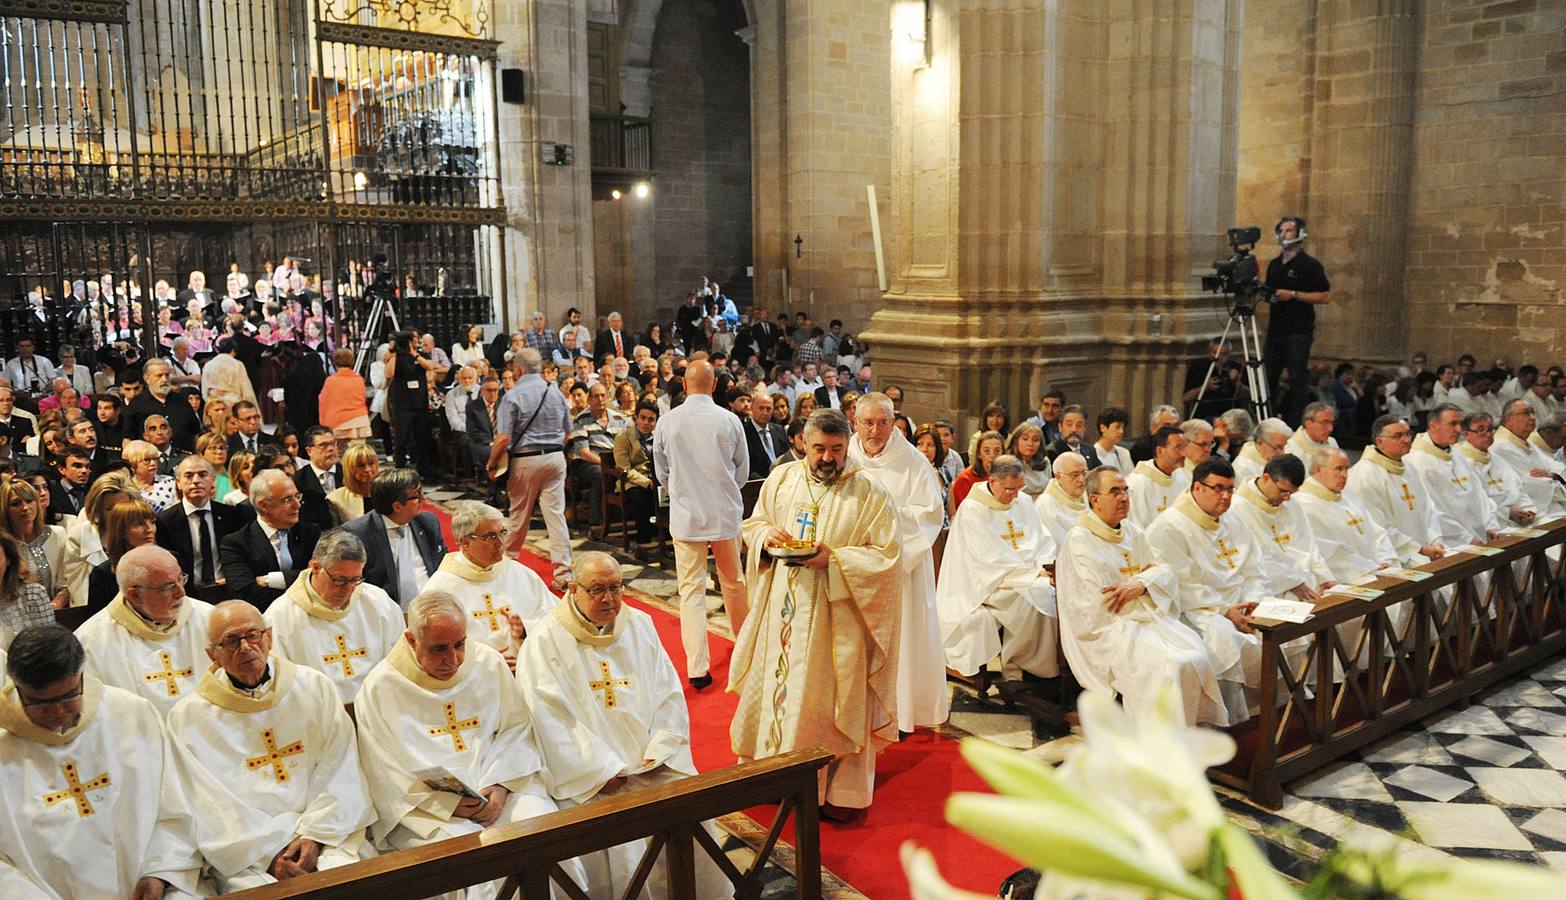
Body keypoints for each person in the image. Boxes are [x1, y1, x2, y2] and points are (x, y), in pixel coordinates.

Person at [518, 551, 733, 898]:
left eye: (616, 588)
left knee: (690, 803)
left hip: (652, 765)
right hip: (594, 777)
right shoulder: (545, 641)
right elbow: (548, 716)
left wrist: (660, 750)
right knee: (612, 836)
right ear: (573, 589)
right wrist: (603, 769)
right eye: (597, 590)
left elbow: (668, 694)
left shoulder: (639, 625)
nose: (609, 599)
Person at [731, 409, 902, 819]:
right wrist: (764, 536)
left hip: (836, 617)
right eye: (819, 449)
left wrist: (836, 560)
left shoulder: (870, 494)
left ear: (849, 447)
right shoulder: (783, 479)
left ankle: (840, 793)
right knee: (778, 689)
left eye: (837, 450)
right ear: (803, 444)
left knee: (830, 702)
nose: (828, 458)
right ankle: (771, 775)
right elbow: (753, 525)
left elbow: (888, 558)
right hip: (782, 611)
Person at [354, 591, 586, 893]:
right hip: (428, 812)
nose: (453, 659)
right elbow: (385, 773)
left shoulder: (487, 663)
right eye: (439, 649)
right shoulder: (380, 688)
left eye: (460, 644)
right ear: (411, 640)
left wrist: (501, 786)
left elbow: (516, 729)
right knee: (472, 866)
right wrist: (446, 804)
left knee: (545, 835)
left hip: (501, 788)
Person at [167, 601, 375, 891]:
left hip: (326, 834)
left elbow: (341, 766)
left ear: (270, 637)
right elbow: (207, 803)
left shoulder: (314, 687)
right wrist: (270, 854)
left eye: (253, 635)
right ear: (212, 654)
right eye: (231, 641)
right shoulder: (189, 718)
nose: (245, 647)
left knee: (355, 881)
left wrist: (314, 836)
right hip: (249, 855)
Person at [0, 625, 203, 897]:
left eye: (68, 696)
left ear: (81, 675)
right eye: (41, 704)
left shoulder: (132, 715)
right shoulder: (5, 744)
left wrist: (160, 871)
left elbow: (174, 806)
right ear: (17, 687)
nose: (58, 711)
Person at [1054, 468, 1227, 727]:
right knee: (1170, 664)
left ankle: (1188, 733)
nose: (1124, 498)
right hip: (1111, 628)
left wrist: (1141, 585)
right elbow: (1100, 602)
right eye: (1114, 492)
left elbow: (1165, 569)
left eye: (1125, 491)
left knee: (1196, 655)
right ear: (1094, 499)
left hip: (1147, 619)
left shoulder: (1131, 530)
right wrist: (1145, 586)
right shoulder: (1080, 541)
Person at [1143, 458, 1279, 725]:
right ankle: (1224, 721)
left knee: (1279, 627)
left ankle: (1266, 712)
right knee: (1224, 637)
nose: (1226, 497)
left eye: (1230, 489)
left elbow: (1254, 568)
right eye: (1218, 488)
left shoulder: (1233, 520)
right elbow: (1182, 586)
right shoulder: (1168, 527)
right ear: (1197, 488)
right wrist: (1226, 611)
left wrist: (1253, 602)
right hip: (1196, 612)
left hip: (1240, 604)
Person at [849, 393, 949, 731]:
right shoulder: (844, 454)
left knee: (902, 639)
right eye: (868, 423)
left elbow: (929, 515)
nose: (874, 430)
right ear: (855, 422)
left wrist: (882, 528)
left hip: (898, 567)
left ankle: (901, 714)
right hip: (853, 566)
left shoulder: (913, 462)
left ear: (893, 423)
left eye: (882, 422)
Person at [652, 359, 749, 688]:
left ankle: (697, 668)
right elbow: (742, 470)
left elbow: (661, 473)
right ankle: (745, 649)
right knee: (733, 584)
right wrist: (723, 492)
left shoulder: (668, 421)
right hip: (723, 513)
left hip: (687, 514)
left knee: (691, 590)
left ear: (684, 384)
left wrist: (682, 491)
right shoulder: (729, 419)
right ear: (715, 385)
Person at [936, 455, 1059, 682]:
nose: (1014, 495)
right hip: (985, 581)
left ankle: (1045, 667)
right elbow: (987, 558)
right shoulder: (973, 509)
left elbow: (1042, 538)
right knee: (1031, 600)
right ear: (992, 481)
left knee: (1049, 593)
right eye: (1009, 489)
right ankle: (1017, 668)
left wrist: (1044, 567)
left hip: (1023, 573)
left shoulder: (1022, 501)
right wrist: (1031, 575)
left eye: (1019, 488)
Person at [266, 529, 403, 707]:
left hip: (378, 706)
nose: (348, 589)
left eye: (355, 580)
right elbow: (280, 685)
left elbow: (400, 660)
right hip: (320, 715)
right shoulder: (280, 617)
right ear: (315, 568)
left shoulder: (378, 602)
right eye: (340, 580)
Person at [77, 544, 215, 717]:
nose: (181, 593)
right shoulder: (92, 642)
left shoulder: (209, 619)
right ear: (134, 594)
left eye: (181, 579)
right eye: (167, 587)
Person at [425, 502, 557, 673]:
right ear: (465, 542)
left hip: (528, 668)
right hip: (476, 678)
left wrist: (525, 629)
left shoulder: (519, 573)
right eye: (491, 536)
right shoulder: (440, 589)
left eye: (502, 533)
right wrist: (486, 661)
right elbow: (434, 645)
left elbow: (554, 615)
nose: (500, 543)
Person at [486, 348, 573, 587]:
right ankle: (564, 573)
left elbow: (503, 438)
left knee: (519, 515)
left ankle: (504, 565)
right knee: (555, 516)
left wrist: (492, 463)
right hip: (555, 457)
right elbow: (568, 431)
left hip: (526, 459)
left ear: (518, 369)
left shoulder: (513, 396)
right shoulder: (555, 392)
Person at [1226, 454, 1335, 602]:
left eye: (1291, 493)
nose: (1287, 497)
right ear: (1266, 478)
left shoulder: (1291, 504)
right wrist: (1293, 583)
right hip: (1272, 586)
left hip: (1304, 580)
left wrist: (1325, 577)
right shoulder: (1238, 508)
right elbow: (1256, 559)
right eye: (1283, 491)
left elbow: (1309, 545)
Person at [1344, 415, 1446, 564]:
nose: (1406, 440)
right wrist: (1419, 549)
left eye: (1407, 434)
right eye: (1398, 436)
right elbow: (1377, 525)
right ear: (1380, 441)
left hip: (1426, 550)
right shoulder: (1365, 475)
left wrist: (1435, 540)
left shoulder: (1409, 467)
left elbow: (1428, 508)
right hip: (1395, 557)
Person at [342, 468, 447, 612]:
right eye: (417, 495)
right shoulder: (358, 534)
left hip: (432, 609)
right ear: (397, 506)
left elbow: (443, 566)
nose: (424, 498)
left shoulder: (428, 522)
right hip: (387, 612)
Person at [219, 469, 323, 610]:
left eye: (297, 496)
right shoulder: (235, 544)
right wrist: (304, 578)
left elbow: (323, 578)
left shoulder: (311, 533)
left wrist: (271, 579)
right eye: (287, 500)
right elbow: (246, 595)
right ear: (263, 506)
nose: (297, 505)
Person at [155, 456, 255, 601]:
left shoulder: (231, 515)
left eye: (202, 475)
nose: (196, 481)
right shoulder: (164, 521)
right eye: (188, 476)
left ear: (213, 480)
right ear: (178, 483)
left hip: (229, 590)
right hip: (186, 595)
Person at [1263, 215, 1332, 424]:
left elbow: (1324, 296)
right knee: (1270, 376)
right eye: (1281, 230)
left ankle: (1295, 423)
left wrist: (1293, 294)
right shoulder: (1274, 264)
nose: (1284, 234)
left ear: (1300, 234)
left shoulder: (1310, 265)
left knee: (1297, 378)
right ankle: (1269, 419)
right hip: (1276, 328)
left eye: (1289, 230)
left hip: (1298, 330)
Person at [1405, 403, 1498, 548]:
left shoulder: (1456, 453)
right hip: (1451, 540)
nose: (1459, 429)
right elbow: (1432, 509)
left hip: (1480, 532)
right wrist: (1467, 538)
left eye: (1460, 424)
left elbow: (1479, 493)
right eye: (1453, 424)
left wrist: (1490, 525)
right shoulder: (1417, 462)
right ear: (1433, 425)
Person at [59, 471, 138, 605]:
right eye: (109, 509)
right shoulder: (80, 535)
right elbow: (79, 588)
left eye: (122, 507)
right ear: (98, 509)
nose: (116, 514)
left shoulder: (141, 532)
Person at [1455, 411, 1537, 530]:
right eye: (1480, 430)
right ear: (1466, 434)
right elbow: (1474, 503)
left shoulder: (1496, 458)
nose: (1487, 434)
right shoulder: (1462, 463)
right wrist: (1507, 513)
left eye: (1490, 429)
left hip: (1514, 521)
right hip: (1489, 526)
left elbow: (1518, 487)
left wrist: (1527, 510)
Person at [0, 479, 66, 608]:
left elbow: (66, 583)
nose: (25, 507)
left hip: (56, 612)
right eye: (16, 503)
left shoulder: (58, 534)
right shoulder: (3, 545)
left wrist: (55, 605)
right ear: (4, 509)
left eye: (29, 501)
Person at [86, 497, 159, 612]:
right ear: (121, 530)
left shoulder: (172, 561)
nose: (149, 529)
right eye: (140, 524)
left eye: (152, 522)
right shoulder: (103, 574)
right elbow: (98, 620)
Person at [612, 401, 660, 553]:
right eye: (643, 418)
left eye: (651, 419)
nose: (646, 422)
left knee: (671, 494)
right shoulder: (623, 437)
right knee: (640, 496)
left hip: (656, 477)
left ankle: (664, 534)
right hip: (631, 480)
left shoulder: (659, 436)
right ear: (636, 418)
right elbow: (624, 467)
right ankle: (643, 539)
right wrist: (646, 482)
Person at [126, 358, 202, 453]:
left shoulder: (181, 400)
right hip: (151, 462)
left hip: (184, 460)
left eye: (167, 375)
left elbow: (195, 432)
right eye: (159, 376)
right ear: (147, 378)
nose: (165, 379)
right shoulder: (137, 405)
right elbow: (128, 438)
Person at [1124, 425, 1190, 528]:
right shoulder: (1137, 484)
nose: (1184, 454)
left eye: (1185, 447)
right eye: (1178, 448)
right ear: (1160, 451)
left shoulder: (1184, 477)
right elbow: (1133, 526)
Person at [1034, 450, 1087, 549]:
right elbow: (1056, 543)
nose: (1081, 479)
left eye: (1084, 473)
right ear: (1058, 476)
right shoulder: (1045, 505)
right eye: (1075, 475)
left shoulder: (1090, 496)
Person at [294, 425, 341, 532]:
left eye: (333, 443)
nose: (330, 449)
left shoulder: (347, 473)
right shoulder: (299, 479)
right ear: (309, 451)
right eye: (323, 445)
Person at [319, 348, 372, 442]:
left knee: (338, 455)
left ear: (335, 362)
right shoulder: (359, 380)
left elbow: (324, 403)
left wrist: (323, 425)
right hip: (360, 422)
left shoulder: (331, 381)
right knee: (358, 454)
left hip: (338, 422)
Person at [950, 429, 1004, 514]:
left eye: (997, 451)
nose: (992, 456)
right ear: (979, 454)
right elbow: (962, 512)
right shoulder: (965, 478)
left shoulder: (1008, 477)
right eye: (987, 451)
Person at [329, 440, 377, 525]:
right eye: (360, 466)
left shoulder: (389, 493)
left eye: (371, 463)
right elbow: (334, 534)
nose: (367, 470)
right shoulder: (335, 499)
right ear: (349, 468)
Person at [743, 384, 788, 474]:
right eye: (761, 408)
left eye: (769, 409)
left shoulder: (779, 430)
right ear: (751, 408)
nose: (765, 412)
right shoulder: (744, 432)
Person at [1231, 417, 1292, 482]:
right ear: (1260, 442)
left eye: (1284, 447)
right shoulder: (1241, 468)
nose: (1282, 453)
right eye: (1277, 447)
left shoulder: (1275, 459)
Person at [124, 438, 177, 512]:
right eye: (146, 460)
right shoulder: (125, 487)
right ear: (133, 464)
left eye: (155, 459)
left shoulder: (169, 481)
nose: (153, 463)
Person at [1091, 406, 1133, 473]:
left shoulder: (1124, 453)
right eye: (1117, 427)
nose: (1121, 431)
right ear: (1103, 428)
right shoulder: (1092, 454)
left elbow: (1131, 479)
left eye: (1123, 427)